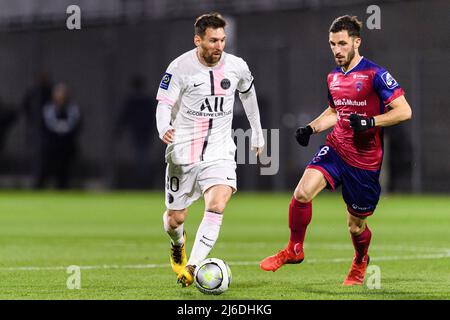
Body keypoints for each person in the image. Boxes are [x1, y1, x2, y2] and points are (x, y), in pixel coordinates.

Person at [260, 15, 412, 286]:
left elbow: (404, 111)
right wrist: (311, 128)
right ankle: (295, 249)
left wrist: (370, 121)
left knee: (356, 226)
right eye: (332, 44)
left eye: (342, 44)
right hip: (336, 148)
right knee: (302, 192)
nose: (337, 50)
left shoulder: (376, 74)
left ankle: (360, 259)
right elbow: (334, 111)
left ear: (357, 42)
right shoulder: (333, 76)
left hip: (365, 161)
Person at [155, 12, 264, 287]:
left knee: (217, 205)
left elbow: (248, 95)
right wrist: (163, 127)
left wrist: (258, 132)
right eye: (213, 40)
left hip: (220, 151)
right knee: (174, 218)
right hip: (183, 153)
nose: (219, 45)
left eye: (222, 40)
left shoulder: (237, 66)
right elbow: (164, 103)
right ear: (198, 40)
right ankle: (178, 244)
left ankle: (191, 266)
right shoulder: (179, 67)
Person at [35, 83, 81, 189]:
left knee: (64, 171)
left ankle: (62, 189)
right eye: (58, 93)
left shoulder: (72, 109)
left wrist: (63, 129)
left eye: (63, 93)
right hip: (51, 146)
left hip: (66, 145)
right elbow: (46, 124)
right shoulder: (49, 108)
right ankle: (38, 189)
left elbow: (75, 124)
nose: (61, 96)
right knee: (44, 169)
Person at [116, 75, 156, 189]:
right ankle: (144, 179)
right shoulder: (148, 100)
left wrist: (119, 130)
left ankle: (141, 180)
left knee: (140, 156)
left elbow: (124, 116)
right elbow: (154, 116)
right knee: (143, 156)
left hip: (137, 132)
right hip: (146, 131)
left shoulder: (131, 100)